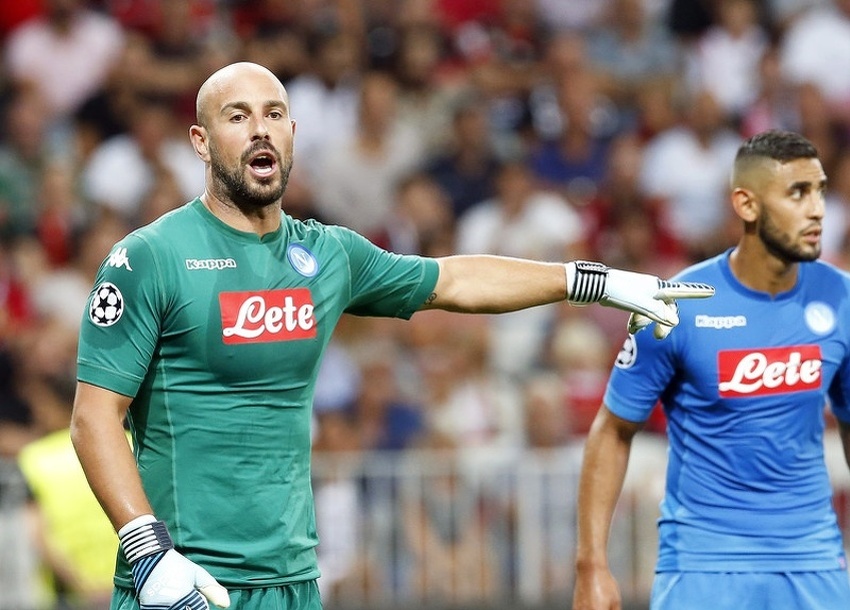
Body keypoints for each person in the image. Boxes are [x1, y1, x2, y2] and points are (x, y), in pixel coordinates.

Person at [69, 61, 713, 610]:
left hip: (291, 582)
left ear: (293, 133)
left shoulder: (328, 255)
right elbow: (94, 417)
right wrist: (147, 552)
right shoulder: (149, 257)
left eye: (273, 113)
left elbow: (454, 281)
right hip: (183, 577)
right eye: (237, 117)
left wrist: (587, 279)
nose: (260, 127)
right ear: (202, 142)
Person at [572, 129, 850, 610]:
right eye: (797, 193)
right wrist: (591, 565)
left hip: (814, 565)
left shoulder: (842, 298)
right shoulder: (677, 306)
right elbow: (613, 431)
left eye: (821, 190)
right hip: (704, 568)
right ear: (747, 204)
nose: (817, 209)